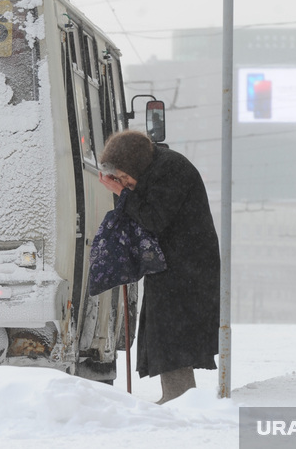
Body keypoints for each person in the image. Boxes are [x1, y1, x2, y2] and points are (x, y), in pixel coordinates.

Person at [97, 130, 220, 404]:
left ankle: (179, 399)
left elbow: (153, 218)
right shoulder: (158, 168)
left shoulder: (172, 170)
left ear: (135, 166)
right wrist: (124, 190)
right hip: (173, 264)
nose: (126, 185)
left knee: (172, 332)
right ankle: (177, 396)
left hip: (188, 266)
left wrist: (121, 192)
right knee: (164, 330)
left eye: (126, 178)